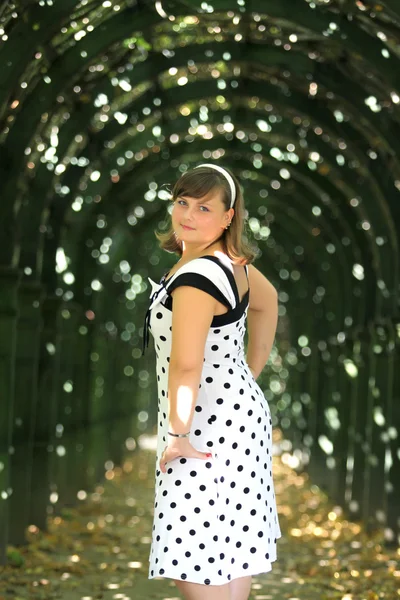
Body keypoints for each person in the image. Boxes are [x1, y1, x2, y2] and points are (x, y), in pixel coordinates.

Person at [142, 164, 282, 600]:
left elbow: (186, 364)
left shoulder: (199, 277)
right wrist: (247, 377)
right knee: (228, 553)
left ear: (228, 217)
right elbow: (268, 301)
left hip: (203, 430)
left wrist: (179, 435)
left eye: (204, 207)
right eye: (182, 201)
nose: (187, 214)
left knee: (193, 558)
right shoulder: (228, 263)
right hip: (236, 419)